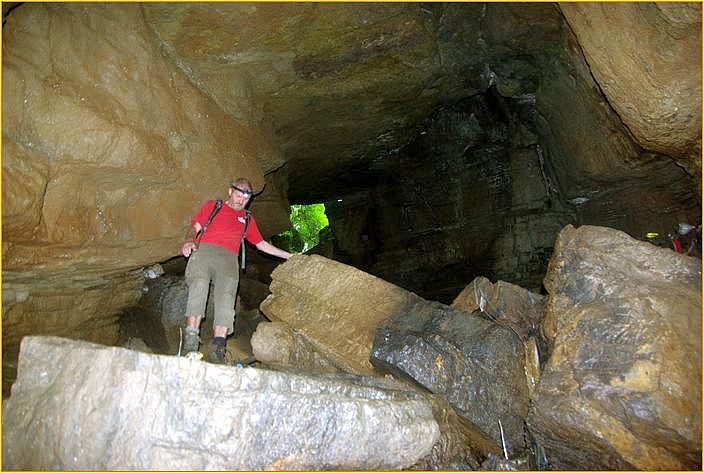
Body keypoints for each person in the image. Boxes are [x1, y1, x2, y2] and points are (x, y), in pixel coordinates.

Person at [181, 177, 292, 363]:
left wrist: (289, 256)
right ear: (230, 191)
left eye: (246, 197)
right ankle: (191, 343)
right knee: (199, 286)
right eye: (239, 195)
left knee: (226, 298)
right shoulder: (213, 206)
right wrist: (189, 240)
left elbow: (261, 244)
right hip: (205, 251)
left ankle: (218, 349)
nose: (241, 200)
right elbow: (194, 228)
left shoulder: (247, 219)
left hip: (229, 259)